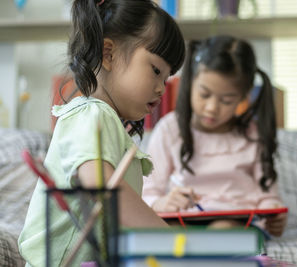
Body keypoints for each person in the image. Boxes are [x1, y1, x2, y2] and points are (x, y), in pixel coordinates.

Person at [18, 0, 185, 266]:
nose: (161, 89)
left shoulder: (106, 121)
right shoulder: (91, 114)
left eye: (165, 78)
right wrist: (168, 240)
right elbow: (100, 185)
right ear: (109, 54)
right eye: (155, 71)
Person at [142, 35, 287, 237]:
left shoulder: (253, 134)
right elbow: (149, 192)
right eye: (204, 94)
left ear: (243, 98)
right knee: (167, 234)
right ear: (190, 83)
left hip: (238, 222)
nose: (212, 108)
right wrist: (162, 203)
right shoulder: (169, 129)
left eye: (227, 101)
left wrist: (275, 214)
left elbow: (267, 196)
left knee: (222, 232)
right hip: (185, 219)